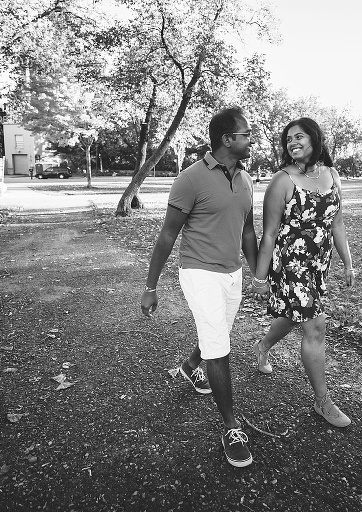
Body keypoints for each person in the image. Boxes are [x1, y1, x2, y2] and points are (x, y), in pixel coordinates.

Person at [140, 107, 259, 467]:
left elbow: (248, 231)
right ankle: (231, 426)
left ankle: (191, 365)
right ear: (227, 139)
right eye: (246, 133)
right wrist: (151, 286)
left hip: (231, 272)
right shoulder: (190, 178)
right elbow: (167, 235)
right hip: (198, 271)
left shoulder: (246, 179)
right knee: (219, 346)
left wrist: (258, 274)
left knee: (217, 333)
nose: (251, 139)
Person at [251, 117, 355, 428]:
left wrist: (348, 262)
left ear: (314, 138)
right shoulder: (282, 180)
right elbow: (268, 234)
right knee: (315, 327)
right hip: (291, 263)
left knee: (292, 315)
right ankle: (322, 401)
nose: (292, 142)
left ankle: (263, 346)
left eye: (299, 136)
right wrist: (259, 278)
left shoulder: (331, 174)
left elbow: (336, 223)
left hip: (319, 264)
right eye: (288, 139)